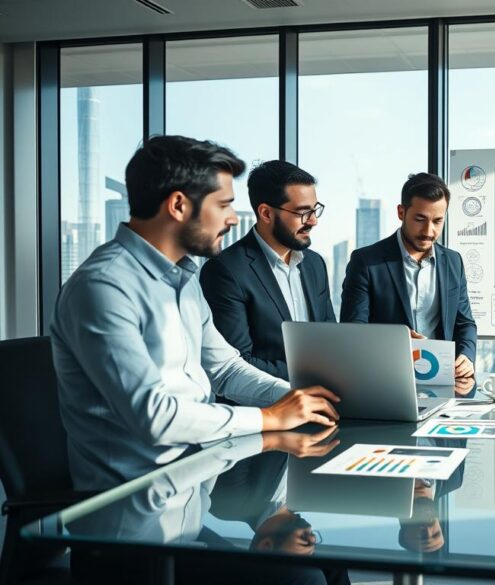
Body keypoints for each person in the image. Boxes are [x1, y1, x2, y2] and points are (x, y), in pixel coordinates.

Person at [51, 135, 341, 493]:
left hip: (196, 483)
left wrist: (300, 400)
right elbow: (154, 416)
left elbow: (226, 369)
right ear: (178, 206)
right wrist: (269, 417)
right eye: (223, 205)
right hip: (133, 506)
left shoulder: (184, 280)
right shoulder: (103, 287)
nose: (234, 218)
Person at [200, 160, 335, 380]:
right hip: (262, 409)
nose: (313, 221)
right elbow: (237, 363)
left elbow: (331, 340)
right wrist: (310, 376)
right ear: (266, 213)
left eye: (314, 210)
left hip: (323, 402)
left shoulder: (315, 264)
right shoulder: (225, 270)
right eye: (303, 212)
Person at [340, 172, 477, 378]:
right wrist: (397, 342)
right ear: (401, 212)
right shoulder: (366, 262)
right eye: (420, 219)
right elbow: (353, 331)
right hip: (385, 378)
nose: (429, 231)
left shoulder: (453, 262)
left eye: (438, 221)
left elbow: (464, 322)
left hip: (442, 379)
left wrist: (466, 356)